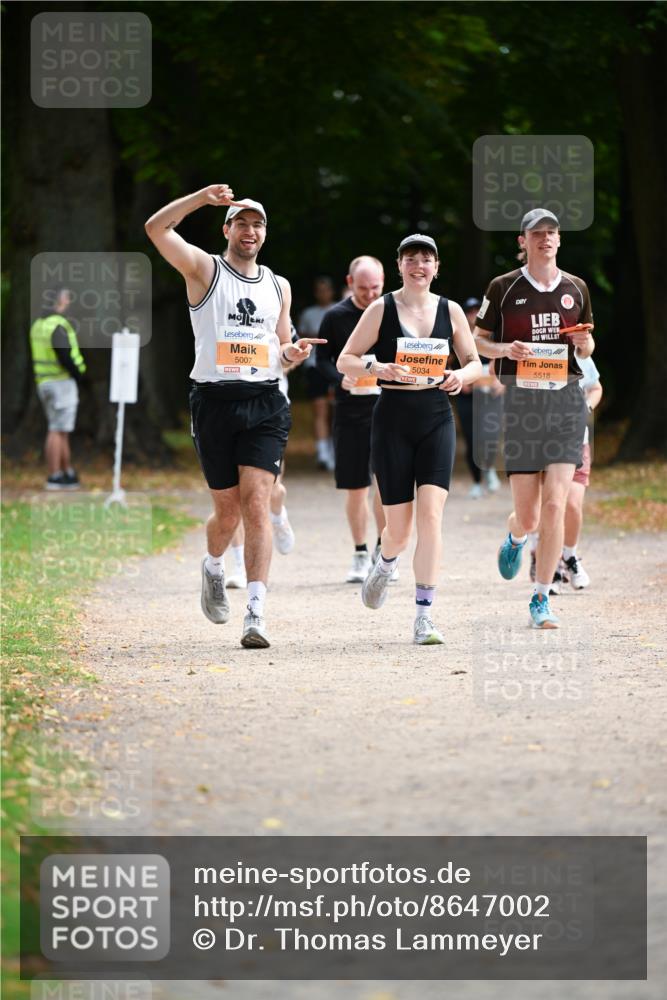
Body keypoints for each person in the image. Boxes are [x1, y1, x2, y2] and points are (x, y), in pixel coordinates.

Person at [145, 184, 323, 649]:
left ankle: (256, 613)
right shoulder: (205, 269)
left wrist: (293, 350)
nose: (250, 230)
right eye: (242, 222)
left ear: (265, 235)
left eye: (258, 224)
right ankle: (213, 566)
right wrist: (202, 199)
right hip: (214, 403)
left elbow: (281, 344)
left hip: (265, 402)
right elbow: (155, 228)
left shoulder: (277, 285)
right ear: (227, 229)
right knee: (226, 516)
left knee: (257, 503)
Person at [338, 234, 482, 644]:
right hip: (392, 421)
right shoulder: (382, 309)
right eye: (411, 259)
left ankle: (424, 617)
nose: (419, 266)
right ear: (398, 265)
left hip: (436, 418)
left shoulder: (450, 310)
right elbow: (344, 359)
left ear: (437, 267)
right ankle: (384, 565)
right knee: (398, 531)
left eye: (426, 259)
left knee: (432, 518)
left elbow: (475, 363)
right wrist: (376, 366)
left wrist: (460, 376)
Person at [473, 208, 596, 629]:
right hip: (524, 406)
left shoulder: (576, 287)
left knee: (556, 504)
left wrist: (584, 343)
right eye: (537, 233)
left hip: (566, 402)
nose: (546, 238)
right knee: (529, 516)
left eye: (552, 232)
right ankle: (516, 536)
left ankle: (541, 597)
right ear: (522, 241)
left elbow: (586, 346)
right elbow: (478, 341)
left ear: (559, 240)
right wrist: (506, 350)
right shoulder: (503, 288)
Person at [315, 255, 390, 582]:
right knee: (356, 487)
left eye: (375, 288)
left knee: (386, 485)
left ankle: (382, 550)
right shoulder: (335, 317)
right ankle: (360, 552)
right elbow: (321, 361)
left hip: (388, 408)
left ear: (384, 282)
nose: (370, 295)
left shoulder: (393, 311)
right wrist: (338, 378)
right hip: (350, 410)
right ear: (349, 283)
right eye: (363, 289)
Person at [529, 353, 602, 592]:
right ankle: (546, 563)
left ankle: (570, 556)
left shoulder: (579, 355)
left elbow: (595, 388)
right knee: (549, 506)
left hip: (576, 441)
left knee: (571, 505)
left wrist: (585, 407)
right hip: (541, 440)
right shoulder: (537, 352)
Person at [29, 287, 87, 490]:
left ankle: (66, 472)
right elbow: (65, 356)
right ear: (58, 301)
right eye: (66, 299)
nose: (69, 302)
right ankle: (54, 475)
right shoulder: (58, 325)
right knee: (56, 429)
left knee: (61, 429)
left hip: (44, 383)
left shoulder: (38, 325)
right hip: (61, 382)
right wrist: (78, 374)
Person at [454, 296, 502, 498]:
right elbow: (449, 364)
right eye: (469, 312)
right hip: (468, 398)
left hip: (490, 396)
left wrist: (502, 382)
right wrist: (460, 379)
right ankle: (476, 482)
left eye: (476, 311)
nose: (473, 315)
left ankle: (488, 467)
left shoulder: (494, 335)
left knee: (490, 437)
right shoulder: (456, 334)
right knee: (472, 438)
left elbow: (505, 362)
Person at [298, 276, 336, 471]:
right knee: (320, 408)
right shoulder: (308, 314)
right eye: (319, 289)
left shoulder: (340, 309)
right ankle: (322, 453)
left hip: (337, 366)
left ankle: (335, 450)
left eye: (326, 289)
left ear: (331, 291)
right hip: (314, 367)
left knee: (336, 411)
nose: (323, 293)